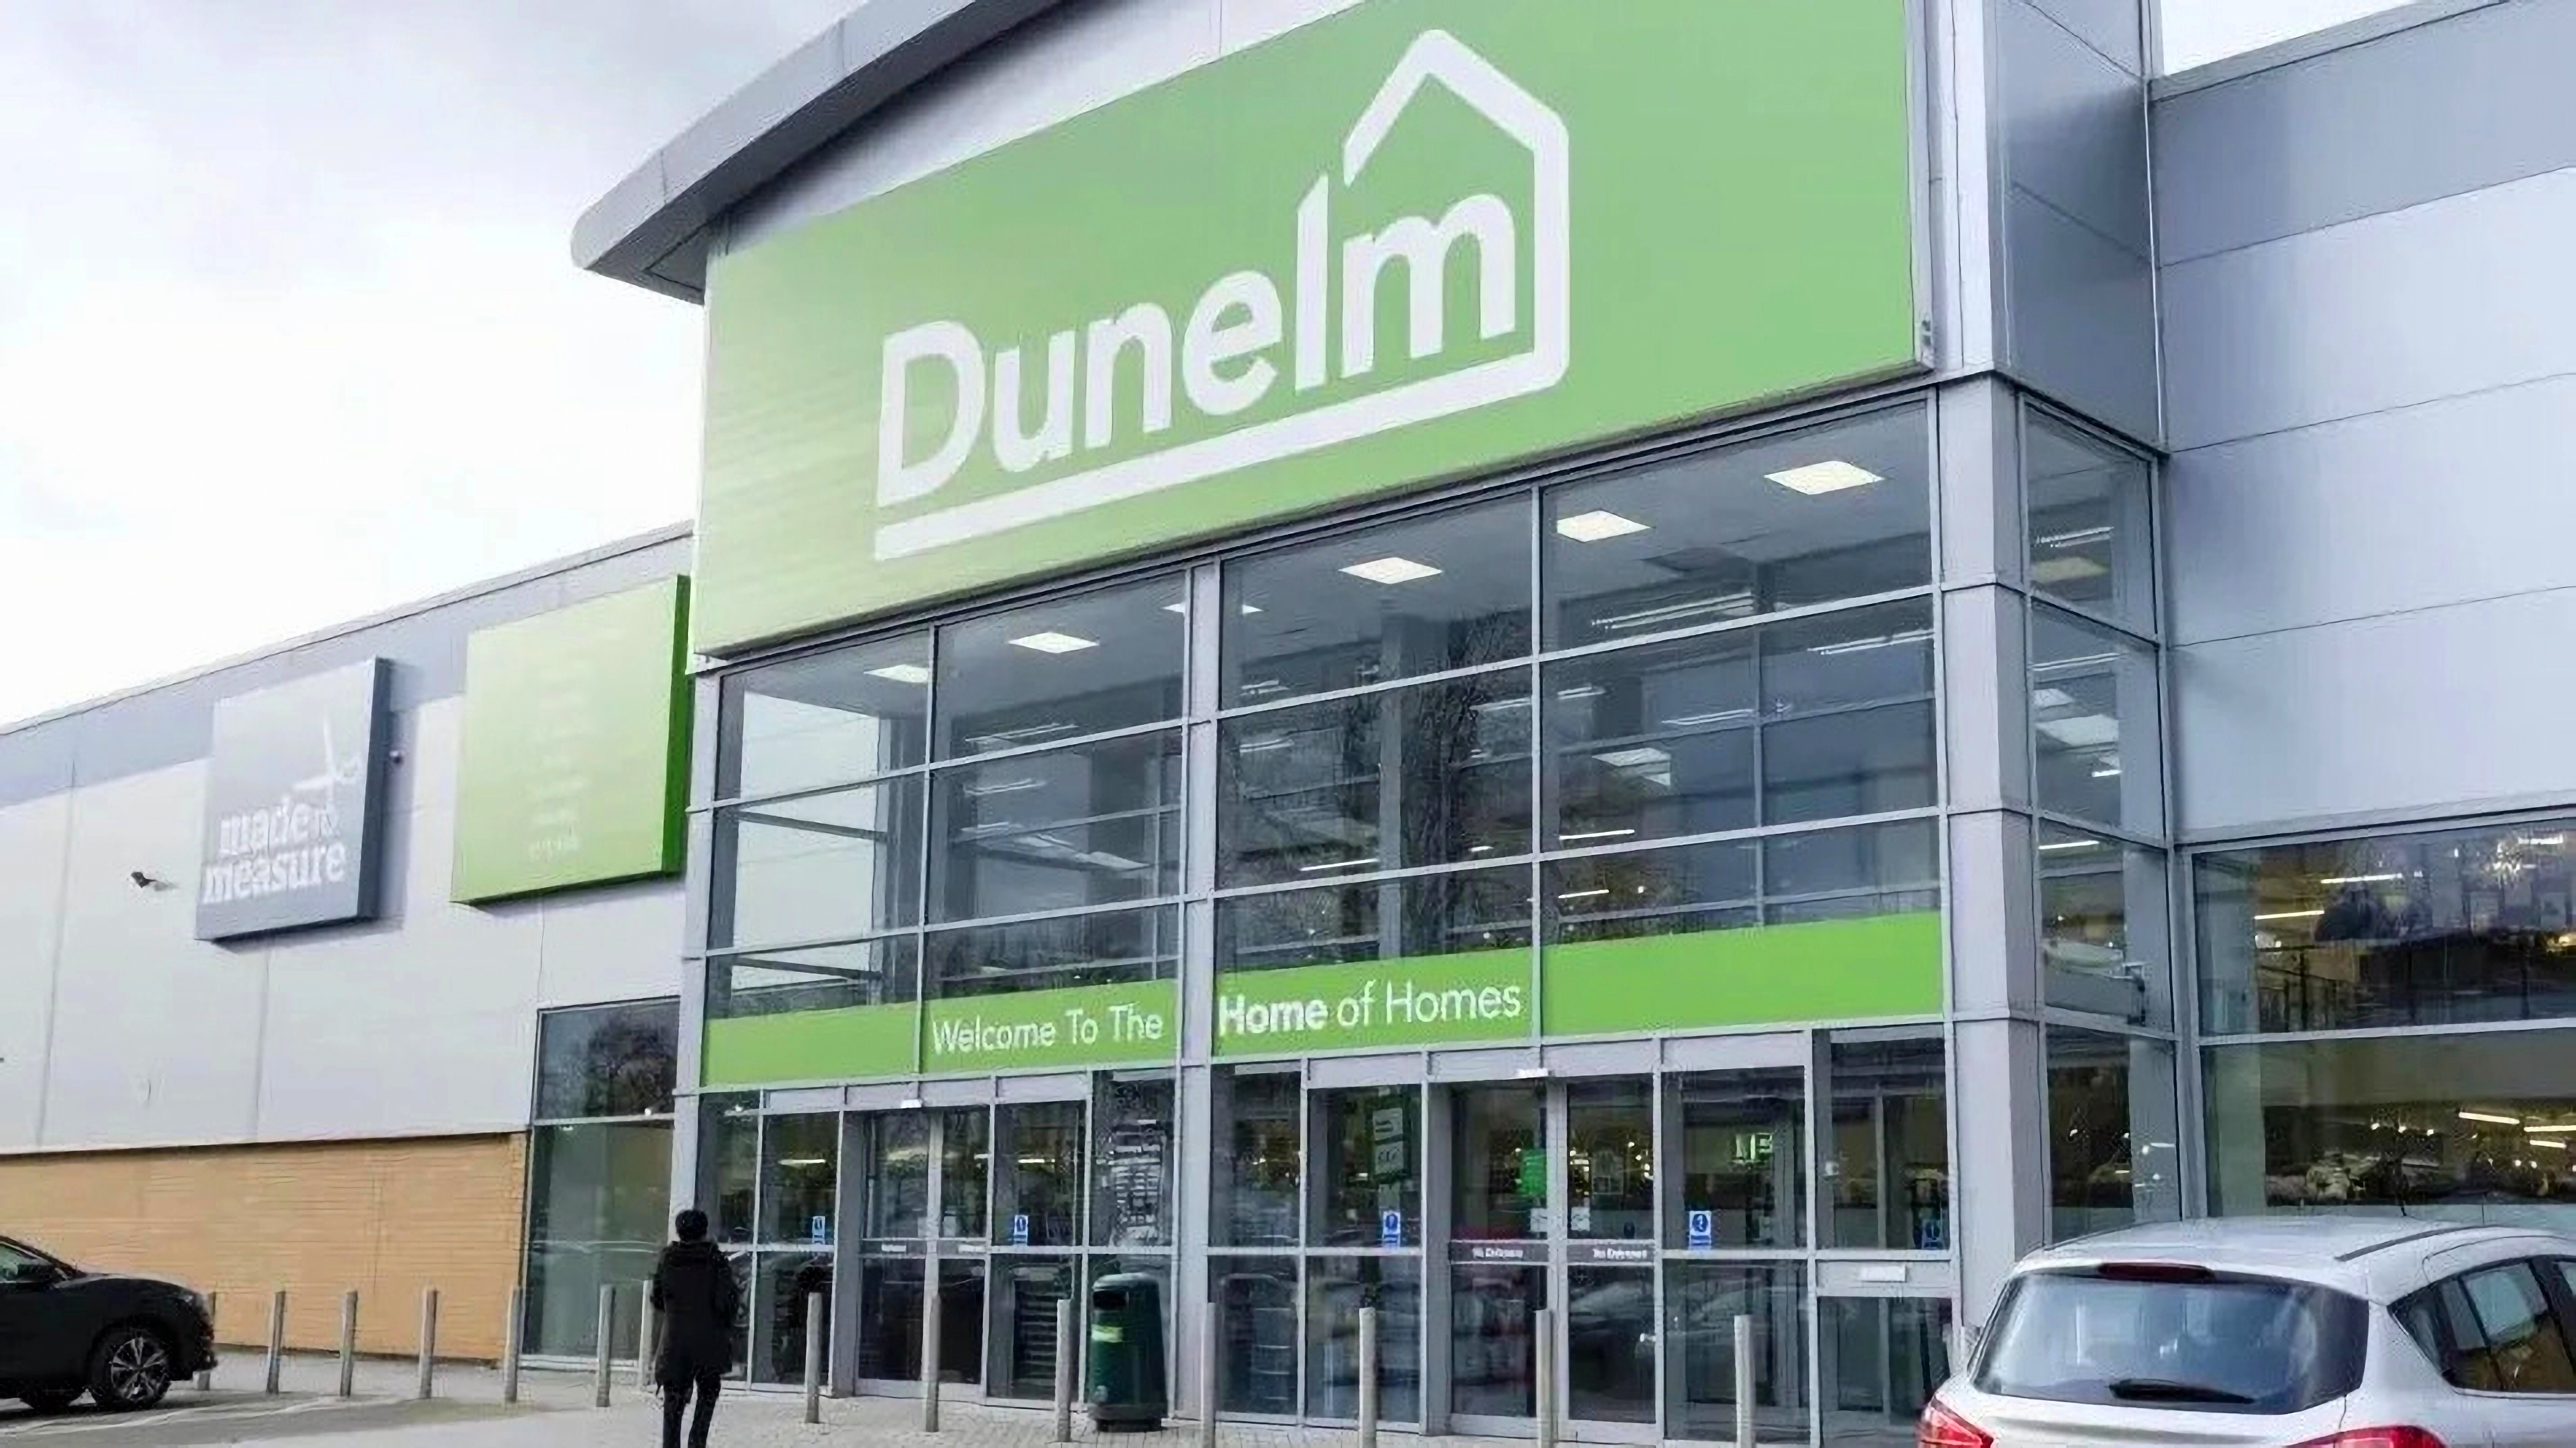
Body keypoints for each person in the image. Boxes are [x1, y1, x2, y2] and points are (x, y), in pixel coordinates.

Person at [651, 1209, 740, 1448]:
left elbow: (657, 1299)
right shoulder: (715, 1260)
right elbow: (726, 1302)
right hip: (709, 1341)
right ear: (704, 1231)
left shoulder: (668, 1260)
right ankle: (697, 1441)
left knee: (673, 1401)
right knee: (708, 1392)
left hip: (675, 1341)